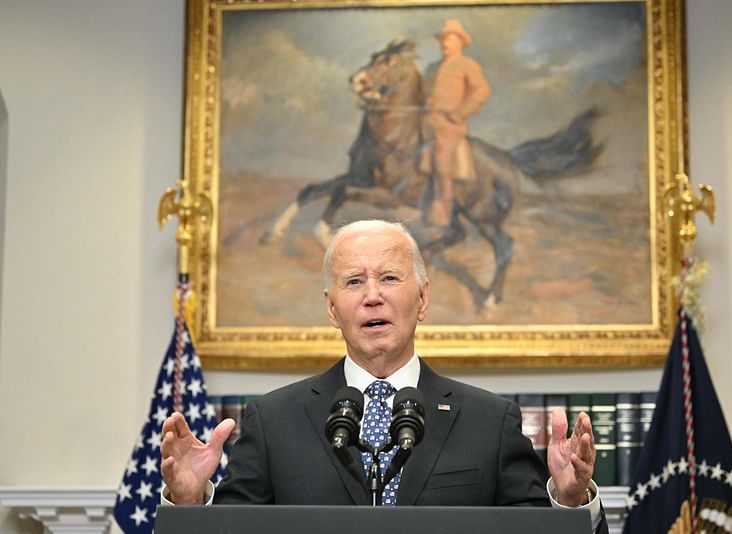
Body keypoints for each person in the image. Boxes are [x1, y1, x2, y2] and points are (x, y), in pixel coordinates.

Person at [161, 219, 607, 532]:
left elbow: (533, 531)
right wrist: (189, 502)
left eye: (390, 278)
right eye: (354, 282)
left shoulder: (489, 421)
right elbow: (232, 532)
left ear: (423, 299)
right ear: (332, 309)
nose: (372, 296)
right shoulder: (273, 420)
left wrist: (567, 503)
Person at [423, 20, 491, 227]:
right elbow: (424, 93)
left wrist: (461, 112)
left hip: (450, 125)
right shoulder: (432, 68)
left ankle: (444, 210)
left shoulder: (467, 65)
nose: (445, 42)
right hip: (427, 121)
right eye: (443, 38)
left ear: (461, 42)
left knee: (442, 157)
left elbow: (481, 91)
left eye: (450, 38)